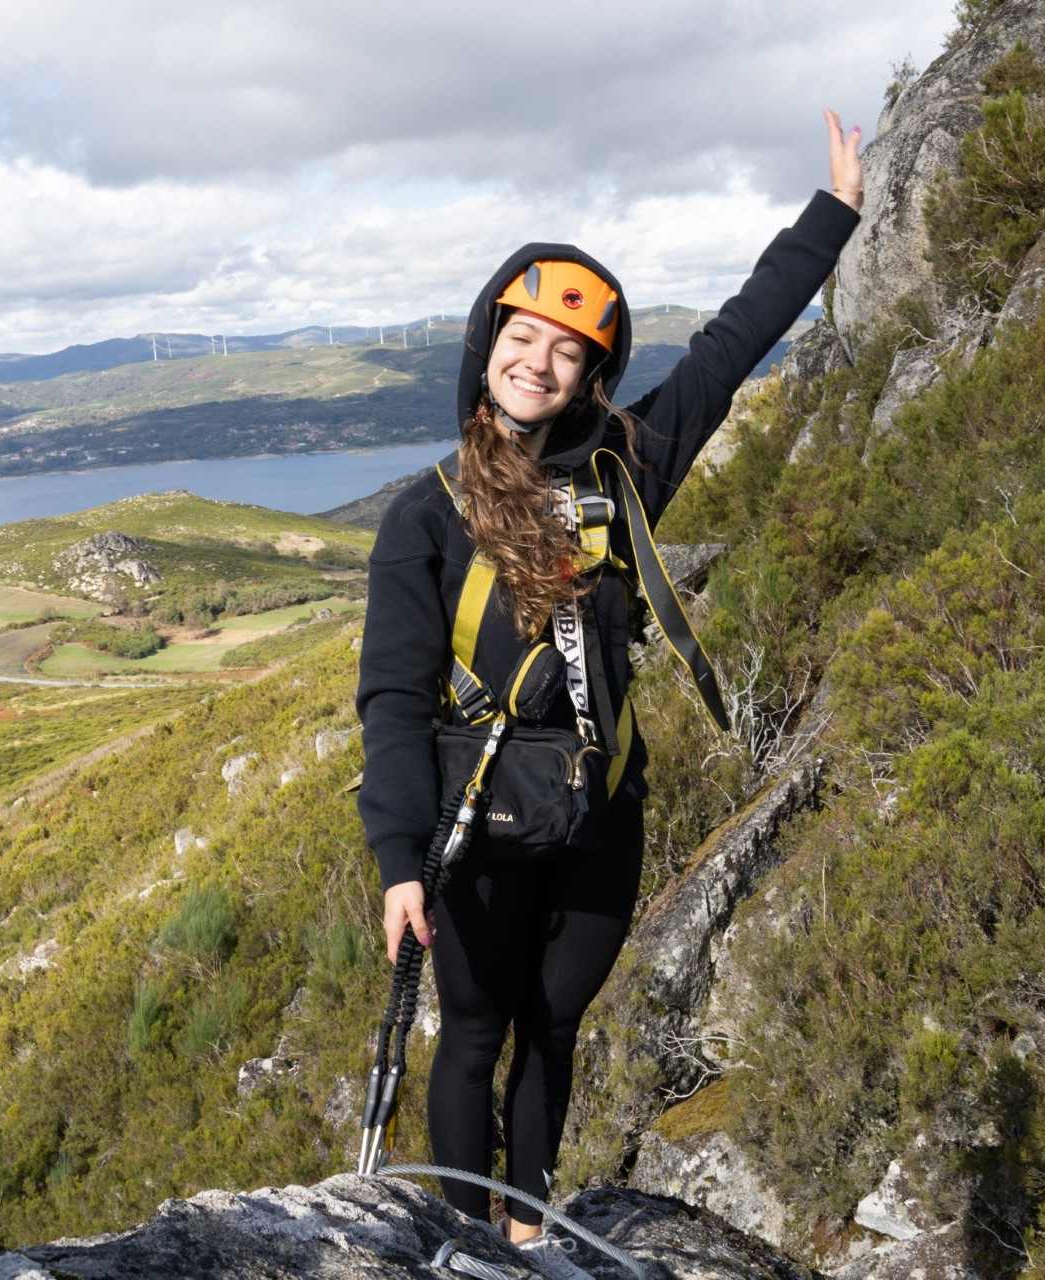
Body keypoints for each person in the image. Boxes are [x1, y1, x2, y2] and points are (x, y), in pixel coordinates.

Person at [355, 111, 864, 1264]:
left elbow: (736, 343)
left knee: (555, 1023)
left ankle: (529, 1241)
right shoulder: (426, 516)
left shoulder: (628, 464)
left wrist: (834, 216)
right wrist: (396, 859)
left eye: (566, 347)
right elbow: (390, 700)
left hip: (600, 803)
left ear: (593, 371)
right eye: (520, 335)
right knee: (476, 1031)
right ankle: (456, 1237)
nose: (537, 360)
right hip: (470, 815)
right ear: (487, 344)